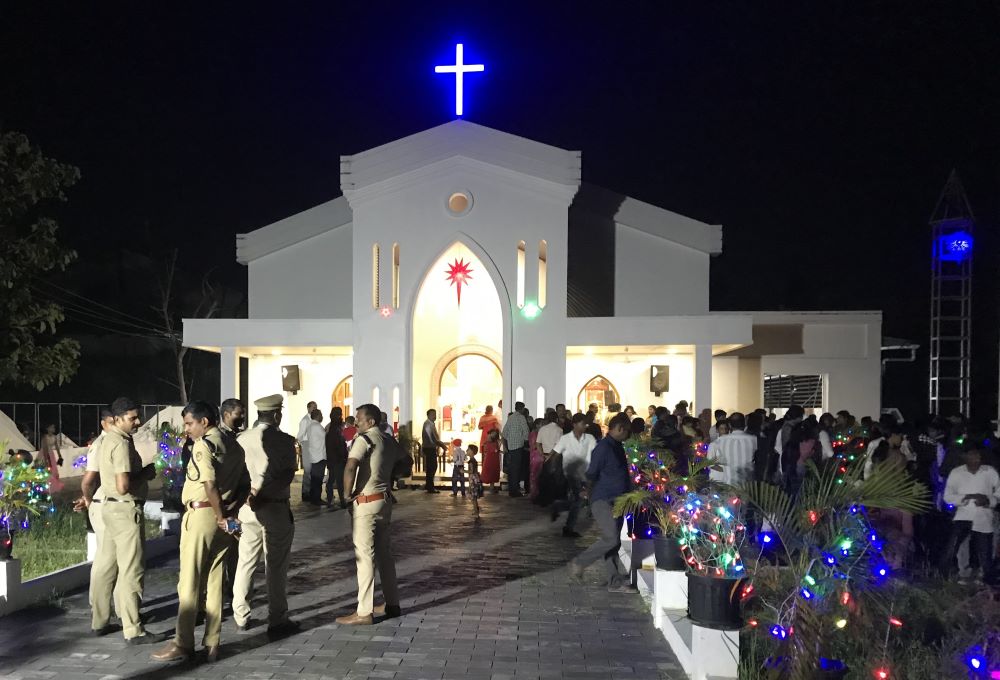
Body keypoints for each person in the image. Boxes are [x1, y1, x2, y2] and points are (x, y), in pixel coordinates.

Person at [152, 401, 246, 662]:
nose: (187, 429)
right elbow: (245, 486)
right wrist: (228, 515)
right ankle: (213, 641)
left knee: (190, 582)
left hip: (204, 515)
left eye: (189, 423)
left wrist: (218, 516)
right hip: (223, 517)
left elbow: (209, 485)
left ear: (205, 422)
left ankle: (183, 642)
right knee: (216, 581)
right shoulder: (235, 446)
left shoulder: (205, 445)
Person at [89, 397, 160, 644]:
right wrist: (145, 474)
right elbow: (123, 486)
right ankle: (133, 628)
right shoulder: (119, 443)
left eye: (137, 416)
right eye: (132, 418)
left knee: (105, 566)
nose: (138, 422)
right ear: (117, 419)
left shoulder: (105, 439)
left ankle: (99, 621)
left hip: (108, 508)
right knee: (132, 569)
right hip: (124, 510)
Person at [232, 394, 299, 634]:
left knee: (246, 562)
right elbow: (286, 475)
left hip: (246, 508)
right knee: (276, 566)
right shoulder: (283, 441)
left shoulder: (240, 439)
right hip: (275, 507)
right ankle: (277, 618)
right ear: (277, 415)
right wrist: (263, 493)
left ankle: (240, 615)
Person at [336, 403, 401, 625]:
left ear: (370, 421)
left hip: (366, 502)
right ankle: (392, 603)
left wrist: (346, 494)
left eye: (359, 420)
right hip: (384, 501)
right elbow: (407, 463)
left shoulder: (364, 440)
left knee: (364, 556)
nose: (355, 423)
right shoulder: (389, 439)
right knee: (385, 555)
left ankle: (364, 611)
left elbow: (351, 465)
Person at [569, 413, 633, 592]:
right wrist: (587, 494)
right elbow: (591, 473)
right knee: (611, 538)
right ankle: (581, 562)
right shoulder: (604, 448)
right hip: (603, 499)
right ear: (620, 428)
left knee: (614, 542)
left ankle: (614, 581)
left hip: (618, 500)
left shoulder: (617, 446)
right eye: (627, 431)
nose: (628, 435)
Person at [939, 440, 999, 584]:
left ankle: (984, 575)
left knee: (984, 548)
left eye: (978, 456)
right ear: (964, 457)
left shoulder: (989, 472)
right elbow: (947, 496)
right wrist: (964, 498)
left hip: (983, 515)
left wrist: (988, 500)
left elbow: (998, 493)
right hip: (963, 514)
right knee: (956, 546)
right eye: (972, 456)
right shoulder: (957, 473)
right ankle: (961, 573)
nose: (976, 459)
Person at [73, 408, 114, 609]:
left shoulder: (112, 442)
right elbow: (89, 480)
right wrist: (89, 500)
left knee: (106, 559)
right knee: (105, 561)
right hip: (102, 504)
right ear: (104, 423)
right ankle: (99, 608)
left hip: (105, 503)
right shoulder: (101, 444)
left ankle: (103, 607)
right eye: (111, 421)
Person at [551, 413, 597, 538]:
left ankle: (559, 506)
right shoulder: (565, 438)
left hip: (585, 472)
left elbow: (596, 453)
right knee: (579, 499)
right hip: (571, 473)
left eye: (585, 424)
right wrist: (552, 467)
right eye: (582, 424)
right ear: (575, 424)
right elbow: (555, 453)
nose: (585, 427)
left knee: (578, 500)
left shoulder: (590, 438)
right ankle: (568, 527)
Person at [707, 412, 757, 486]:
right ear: (744, 423)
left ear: (729, 425)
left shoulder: (721, 441)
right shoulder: (754, 439)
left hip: (728, 483)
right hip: (747, 483)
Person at [501, 401, 531, 497]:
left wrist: (507, 444)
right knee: (516, 469)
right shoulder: (521, 417)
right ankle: (515, 491)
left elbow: (504, 433)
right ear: (522, 409)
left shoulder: (511, 417)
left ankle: (512, 490)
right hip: (518, 446)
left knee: (512, 469)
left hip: (510, 447)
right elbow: (526, 431)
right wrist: (526, 440)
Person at [325, 407, 348, 508]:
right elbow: (339, 445)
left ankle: (330, 500)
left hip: (332, 458)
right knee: (339, 481)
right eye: (340, 414)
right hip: (337, 459)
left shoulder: (331, 427)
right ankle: (342, 501)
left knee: (332, 480)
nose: (341, 417)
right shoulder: (336, 428)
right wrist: (343, 456)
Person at [302, 409, 326, 506]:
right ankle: (316, 499)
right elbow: (326, 438)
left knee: (315, 479)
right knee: (317, 480)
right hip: (319, 457)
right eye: (321, 415)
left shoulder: (310, 426)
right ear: (317, 416)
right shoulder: (317, 426)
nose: (322, 417)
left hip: (314, 456)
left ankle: (314, 498)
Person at [421, 409, 448, 493]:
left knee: (431, 467)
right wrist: (442, 445)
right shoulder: (428, 424)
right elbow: (431, 438)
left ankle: (429, 485)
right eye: (433, 414)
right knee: (432, 467)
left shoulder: (431, 424)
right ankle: (430, 487)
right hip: (429, 448)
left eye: (435, 414)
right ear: (428, 415)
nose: (434, 416)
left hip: (430, 447)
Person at [38, 423, 65, 493]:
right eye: (52, 427)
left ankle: (51, 485)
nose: (53, 429)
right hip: (44, 454)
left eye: (54, 427)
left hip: (51, 453)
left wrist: (60, 456)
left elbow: (57, 447)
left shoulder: (54, 437)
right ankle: (43, 486)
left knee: (52, 469)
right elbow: (44, 448)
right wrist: (46, 459)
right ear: (48, 429)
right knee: (44, 469)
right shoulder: (45, 437)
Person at [527, 418, 545, 501]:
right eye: (542, 424)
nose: (543, 425)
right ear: (537, 425)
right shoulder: (534, 434)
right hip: (536, 456)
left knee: (539, 475)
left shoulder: (539, 433)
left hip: (539, 456)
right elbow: (533, 446)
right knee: (535, 476)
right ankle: (534, 494)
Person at [480, 428, 501, 493]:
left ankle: (492, 488)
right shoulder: (489, 442)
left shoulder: (494, 441)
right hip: (490, 459)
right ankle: (490, 488)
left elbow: (496, 449)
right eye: (492, 433)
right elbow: (494, 450)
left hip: (494, 459)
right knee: (490, 471)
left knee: (493, 472)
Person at [467, 444, 482, 519]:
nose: (467, 451)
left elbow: (471, 471)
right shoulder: (473, 460)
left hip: (473, 479)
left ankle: (476, 511)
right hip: (474, 479)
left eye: (468, 449)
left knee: (473, 497)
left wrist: (463, 471)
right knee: (473, 496)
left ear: (472, 452)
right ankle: (475, 509)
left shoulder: (471, 461)